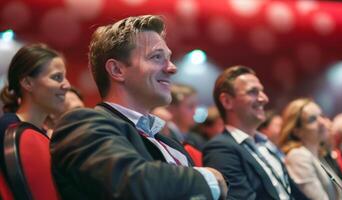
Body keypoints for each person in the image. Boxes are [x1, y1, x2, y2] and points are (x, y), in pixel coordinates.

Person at [50, 15, 227, 200]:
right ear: (117, 70)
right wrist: (208, 178)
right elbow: (133, 183)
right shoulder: (81, 125)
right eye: (157, 57)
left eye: (169, 58)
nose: (172, 68)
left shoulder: (167, 141)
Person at [203, 65, 308, 200]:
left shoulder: (265, 144)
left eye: (261, 91)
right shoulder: (220, 149)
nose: (264, 99)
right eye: (253, 92)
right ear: (227, 101)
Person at [0, 43, 70, 171]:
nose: (67, 85)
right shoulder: (6, 129)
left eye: (65, 77)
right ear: (27, 83)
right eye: (57, 77)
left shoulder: (47, 135)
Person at [279, 98, 342, 200]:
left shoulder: (317, 155)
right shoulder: (298, 157)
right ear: (296, 131)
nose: (322, 122)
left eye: (322, 116)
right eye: (312, 119)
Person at [167, 83, 205, 150]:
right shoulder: (164, 135)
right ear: (172, 109)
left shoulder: (195, 139)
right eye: (190, 106)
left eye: (196, 106)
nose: (195, 112)